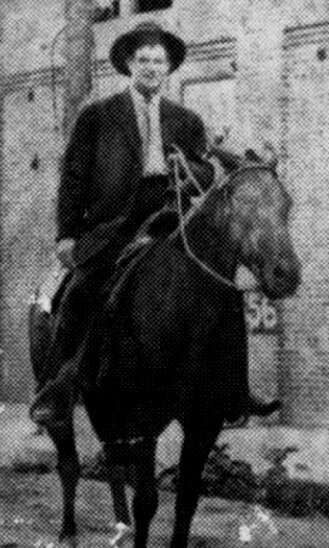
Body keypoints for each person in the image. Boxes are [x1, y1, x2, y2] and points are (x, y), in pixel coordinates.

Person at [30, 21, 280, 429]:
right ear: (128, 64)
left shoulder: (185, 119)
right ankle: (57, 387)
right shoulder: (98, 117)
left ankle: (236, 388)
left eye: (158, 61)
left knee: (225, 289)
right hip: (114, 223)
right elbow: (73, 177)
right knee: (81, 288)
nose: (151, 67)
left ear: (168, 68)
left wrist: (185, 172)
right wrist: (67, 235)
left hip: (170, 216)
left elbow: (204, 171)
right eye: (143, 60)